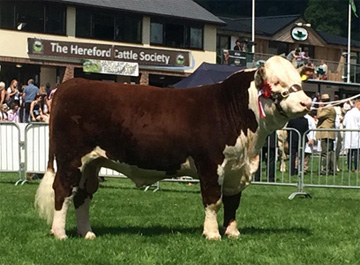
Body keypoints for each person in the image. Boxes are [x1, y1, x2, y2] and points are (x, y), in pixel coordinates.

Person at [316, 93, 336, 175]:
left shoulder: (328, 109)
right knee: (330, 152)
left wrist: (319, 108)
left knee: (325, 152)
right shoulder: (330, 108)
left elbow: (319, 116)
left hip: (326, 133)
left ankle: (325, 169)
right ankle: (331, 169)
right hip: (328, 132)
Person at [342, 99, 360, 172]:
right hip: (356, 134)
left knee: (349, 152)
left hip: (349, 134)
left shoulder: (348, 113)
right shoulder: (358, 113)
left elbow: (344, 123)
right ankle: (356, 168)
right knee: (356, 152)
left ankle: (349, 168)